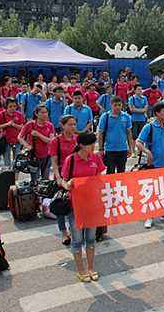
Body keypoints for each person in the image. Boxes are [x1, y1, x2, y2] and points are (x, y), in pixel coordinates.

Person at [59, 132, 106, 283]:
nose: (93, 146)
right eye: (90, 144)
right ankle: (81, 270)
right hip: (76, 206)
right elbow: (64, 182)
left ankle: (91, 267)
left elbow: (100, 177)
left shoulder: (95, 158)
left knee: (91, 239)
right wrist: (69, 184)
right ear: (81, 145)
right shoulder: (71, 160)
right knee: (77, 239)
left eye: (94, 144)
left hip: (92, 204)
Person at [135, 103, 164, 228]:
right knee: (151, 190)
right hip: (152, 165)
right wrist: (147, 151)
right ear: (157, 113)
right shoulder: (149, 127)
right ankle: (149, 216)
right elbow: (138, 142)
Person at [50, 115, 78, 246]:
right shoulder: (56, 141)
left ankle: (74, 230)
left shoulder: (77, 140)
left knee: (75, 204)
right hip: (62, 176)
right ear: (62, 125)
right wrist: (59, 178)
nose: (73, 127)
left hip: (76, 177)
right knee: (61, 204)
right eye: (70, 124)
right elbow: (54, 162)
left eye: (74, 124)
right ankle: (63, 232)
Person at [18, 105, 54, 184]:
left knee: (45, 179)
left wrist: (38, 135)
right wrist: (27, 146)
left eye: (46, 112)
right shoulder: (30, 124)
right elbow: (20, 137)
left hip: (47, 155)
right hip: (34, 156)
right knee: (35, 180)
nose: (45, 114)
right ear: (36, 114)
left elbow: (50, 141)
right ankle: (34, 195)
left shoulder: (50, 125)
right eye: (42, 112)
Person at [97, 96, 134, 174]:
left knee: (121, 172)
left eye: (119, 105)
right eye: (115, 105)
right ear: (111, 105)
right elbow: (100, 133)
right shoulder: (105, 117)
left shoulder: (126, 117)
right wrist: (100, 149)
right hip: (110, 149)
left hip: (123, 149)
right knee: (110, 172)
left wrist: (130, 148)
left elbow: (129, 133)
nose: (117, 107)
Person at [0, 98, 25, 167]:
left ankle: (15, 175)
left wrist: (14, 125)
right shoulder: (1, 114)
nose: (13, 108)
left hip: (17, 139)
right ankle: (8, 174)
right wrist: (7, 124)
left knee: (17, 160)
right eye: (10, 106)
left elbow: (23, 127)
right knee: (6, 159)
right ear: (6, 106)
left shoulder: (19, 114)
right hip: (6, 140)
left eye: (14, 106)